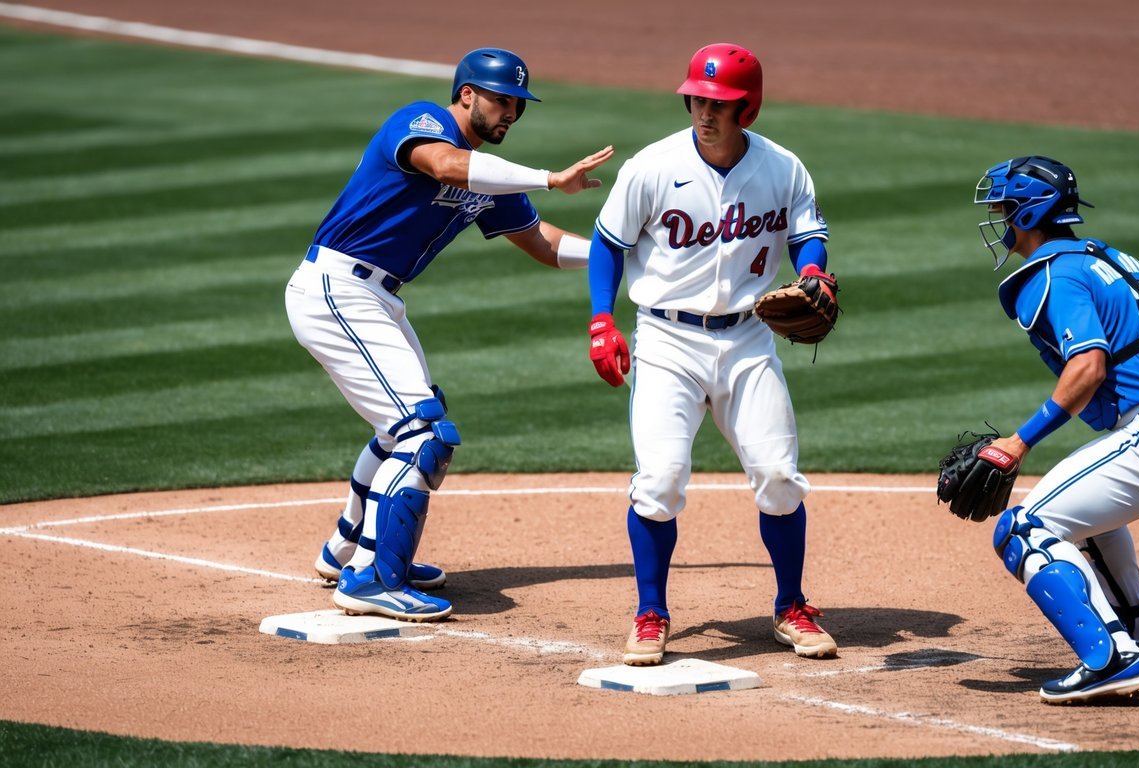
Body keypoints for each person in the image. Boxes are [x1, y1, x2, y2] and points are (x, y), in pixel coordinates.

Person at [286, 47, 613, 622]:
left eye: (518, 104)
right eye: (501, 100)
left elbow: (545, 245)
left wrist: (621, 258)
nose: (511, 111)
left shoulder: (489, 176)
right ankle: (371, 578)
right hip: (337, 288)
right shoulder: (421, 123)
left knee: (407, 427)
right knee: (423, 433)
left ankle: (345, 552)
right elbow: (444, 166)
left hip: (377, 298)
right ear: (466, 94)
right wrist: (549, 178)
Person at [586, 43, 838, 666]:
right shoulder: (652, 166)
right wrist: (600, 319)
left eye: (719, 103)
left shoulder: (783, 168)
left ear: (746, 108)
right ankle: (651, 613)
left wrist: (813, 272)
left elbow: (810, 234)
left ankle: (791, 606)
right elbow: (607, 243)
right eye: (697, 98)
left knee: (780, 478)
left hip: (749, 338)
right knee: (660, 481)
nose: (704, 111)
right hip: (668, 341)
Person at [972, 156, 1139, 703]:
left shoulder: (1053, 271)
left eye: (1003, 207)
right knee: (1084, 515)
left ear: (1027, 211)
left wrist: (1019, 441)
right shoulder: (1109, 256)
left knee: (1025, 529)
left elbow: (1089, 364)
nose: (1000, 218)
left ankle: (1112, 658)